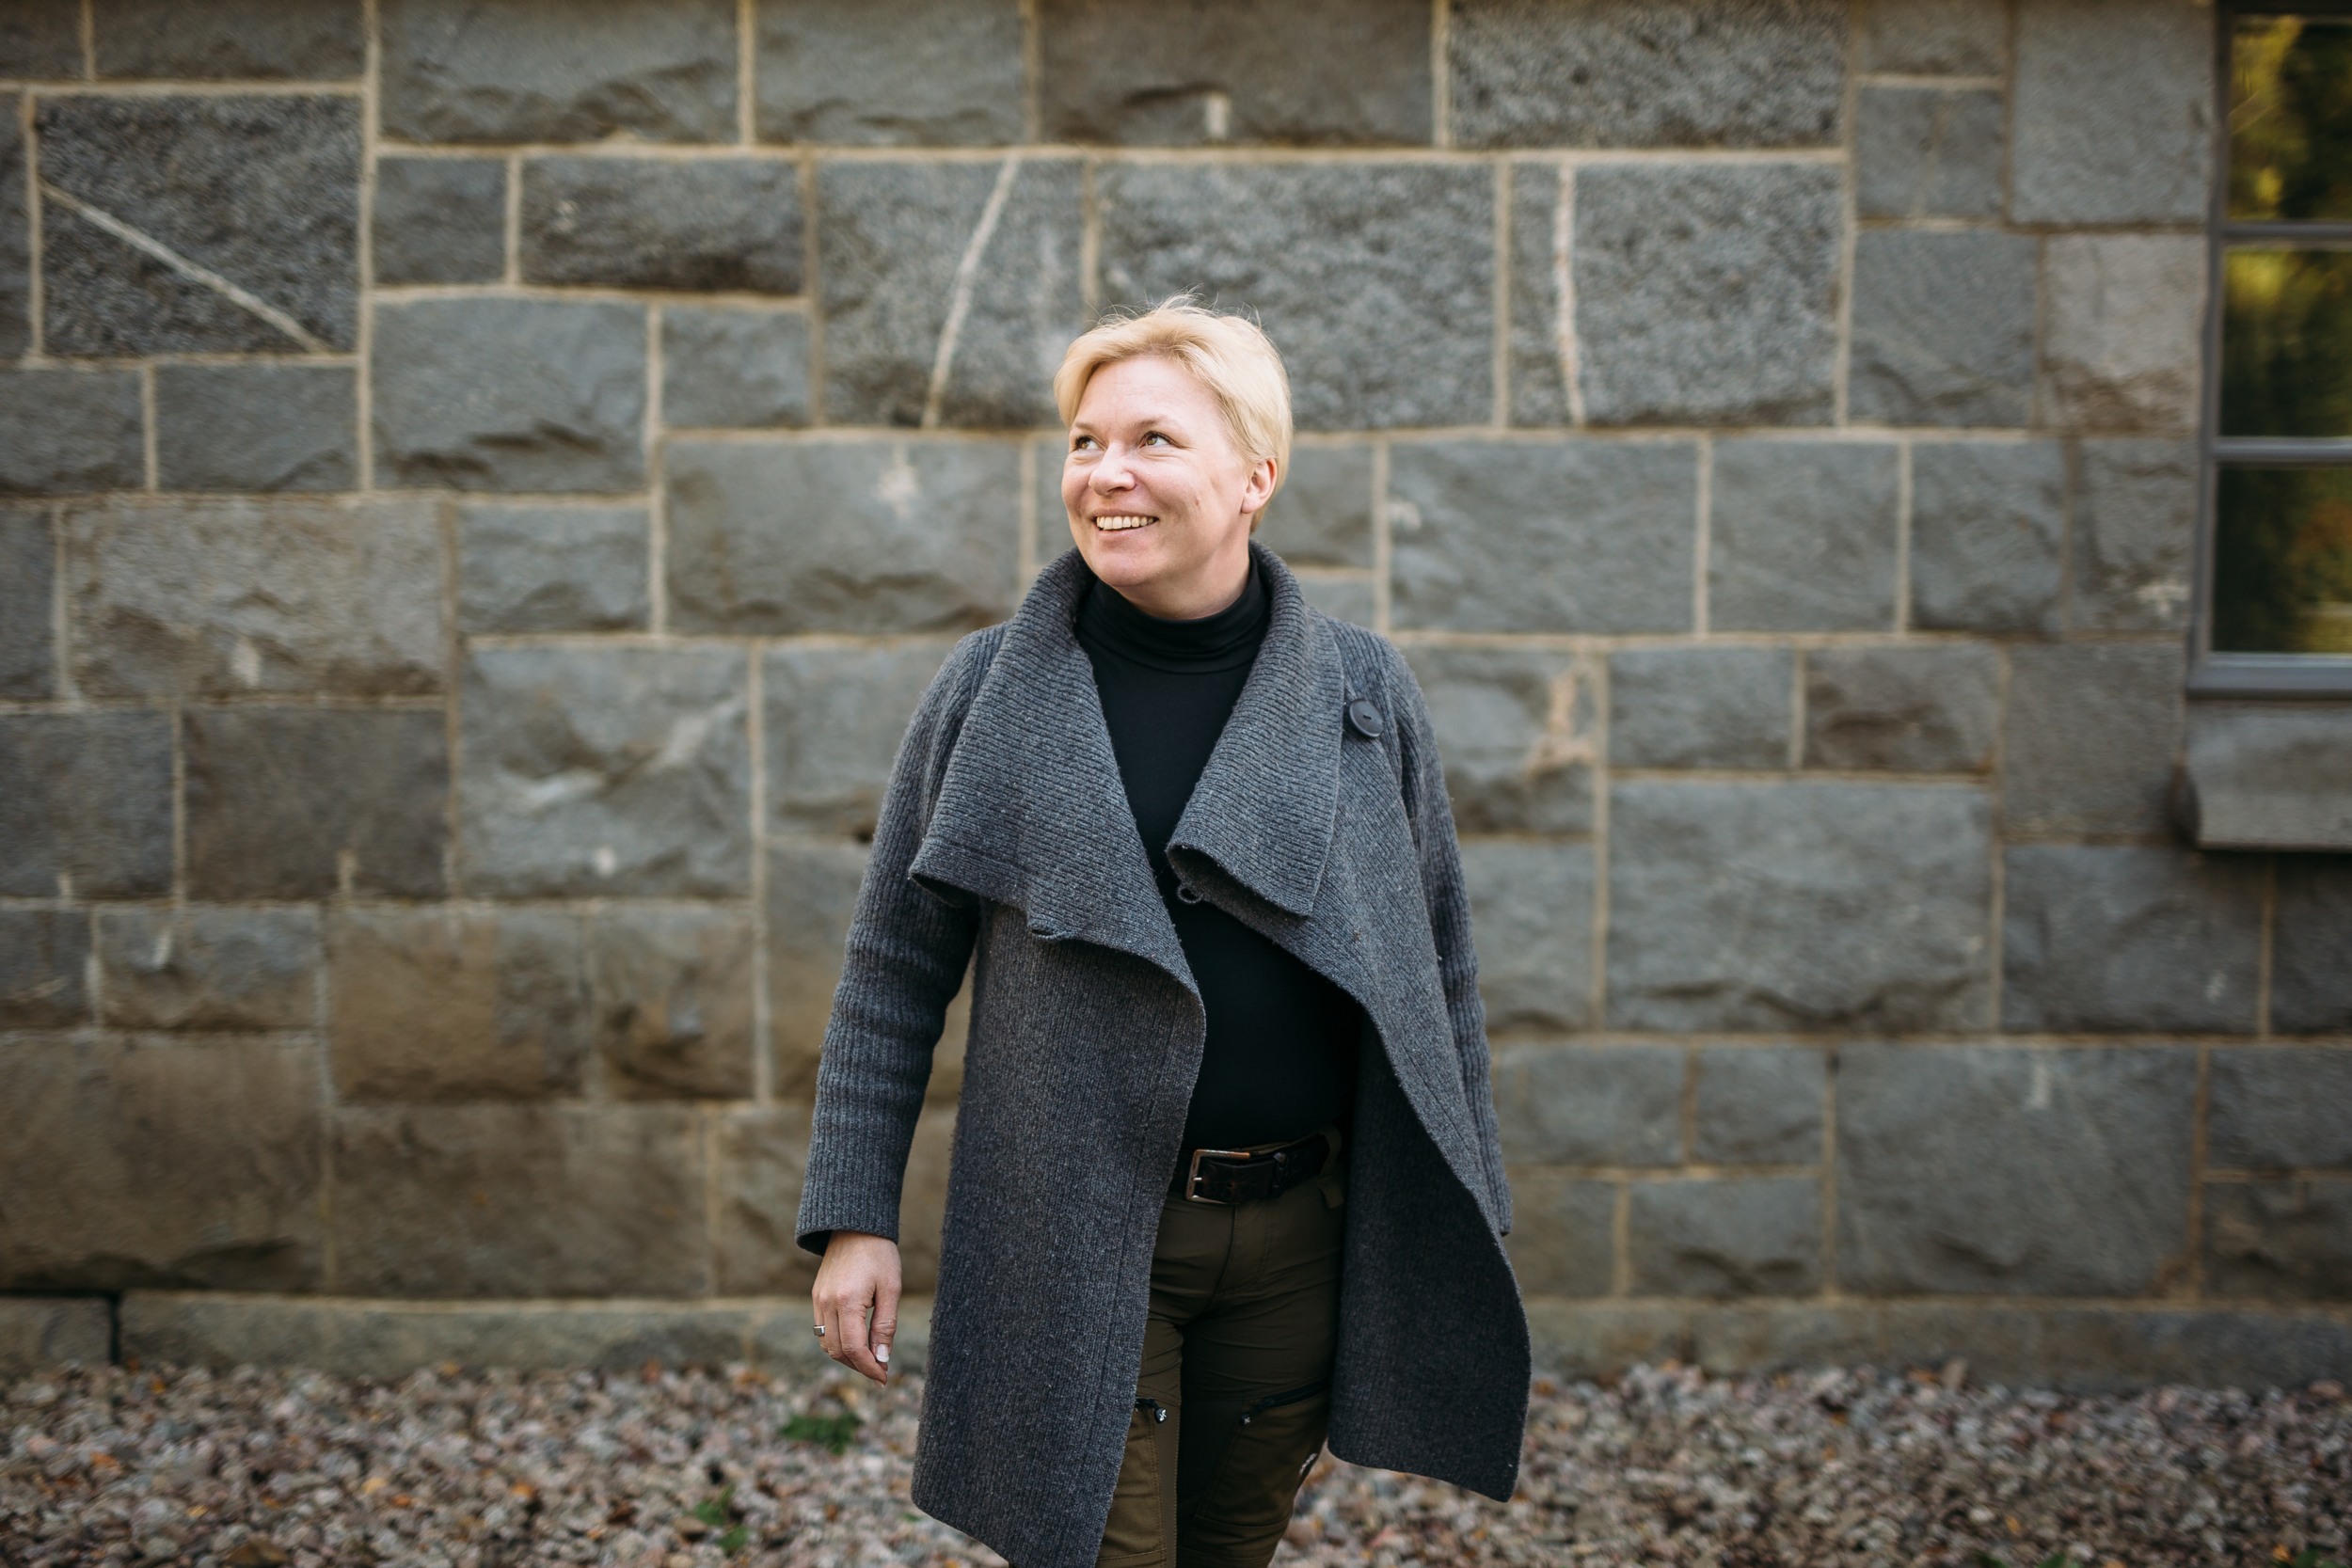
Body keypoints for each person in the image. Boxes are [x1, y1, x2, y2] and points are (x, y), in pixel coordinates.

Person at [798, 299, 1528, 1568]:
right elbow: (891, 971)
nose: (1106, 474)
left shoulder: (1364, 696)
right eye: (1084, 442)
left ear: (1256, 475)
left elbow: (1439, 968)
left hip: (1298, 1238)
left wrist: (1470, 1207)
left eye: (1152, 440)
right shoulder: (989, 690)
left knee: (1229, 1550)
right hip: (1070, 1230)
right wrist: (854, 1213)